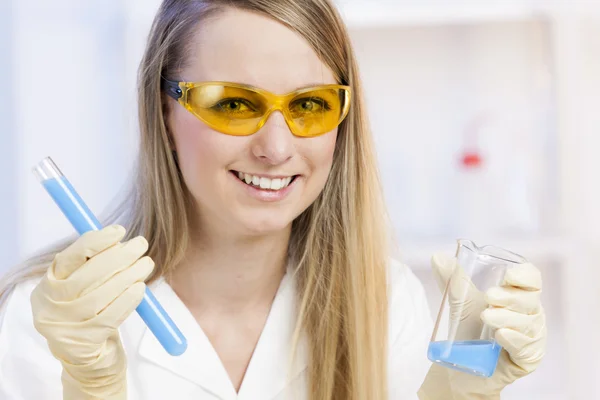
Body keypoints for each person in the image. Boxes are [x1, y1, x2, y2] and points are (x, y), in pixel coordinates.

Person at [0, 0, 547, 399]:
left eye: (309, 104)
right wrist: (89, 388)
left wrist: (456, 393)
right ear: (163, 114)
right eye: (235, 105)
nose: (276, 148)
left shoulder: (384, 300)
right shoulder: (48, 317)